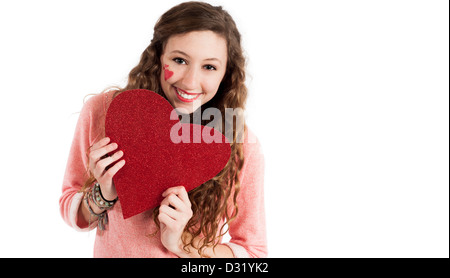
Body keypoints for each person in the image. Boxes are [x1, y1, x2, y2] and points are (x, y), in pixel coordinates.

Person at [59, 1, 267, 258]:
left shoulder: (239, 143)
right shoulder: (106, 112)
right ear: (158, 57)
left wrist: (181, 243)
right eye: (179, 60)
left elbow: (253, 254)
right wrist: (103, 194)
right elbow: (71, 207)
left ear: (226, 73)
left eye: (209, 67)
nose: (190, 81)